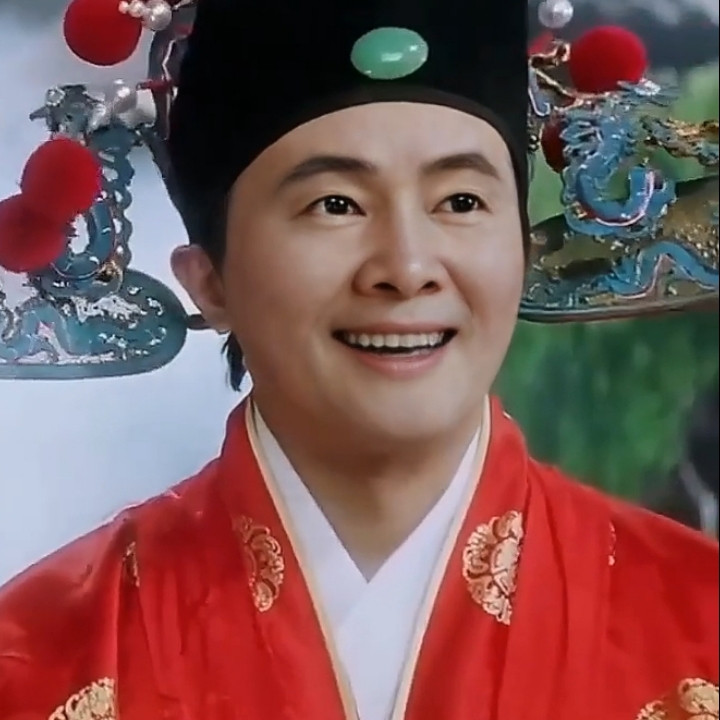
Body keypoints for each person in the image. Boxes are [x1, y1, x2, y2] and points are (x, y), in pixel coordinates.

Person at [0, 0, 718, 718]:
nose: (407, 267)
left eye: (461, 201)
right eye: (335, 205)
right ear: (210, 283)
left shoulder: (699, 628)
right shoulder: (35, 663)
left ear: (523, 251)